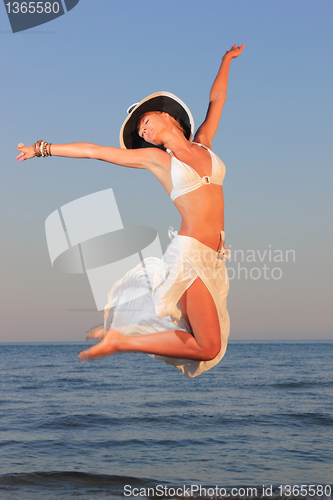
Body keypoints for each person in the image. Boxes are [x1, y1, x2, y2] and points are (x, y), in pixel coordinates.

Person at [17, 44, 245, 378]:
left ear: (167, 114)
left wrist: (226, 61)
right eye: (141, 132)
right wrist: (43, 149)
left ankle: (121, 339)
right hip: (191, 255)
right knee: (208, 346)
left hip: (213, 259)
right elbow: (96, 151)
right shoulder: (159, 160)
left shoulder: (204, 143)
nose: (143, 131)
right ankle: (121, 341)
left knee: (208, 344)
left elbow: (217, 100)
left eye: (145, 121)